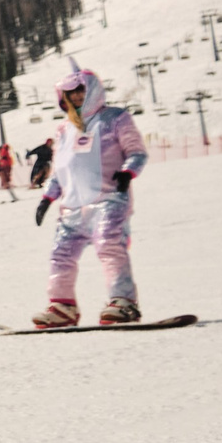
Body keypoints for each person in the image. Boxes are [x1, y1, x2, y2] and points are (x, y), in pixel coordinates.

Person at [31, 64, 150, 327]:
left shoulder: (115, 118)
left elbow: (137, 152)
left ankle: (124, 302)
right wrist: (47, 199)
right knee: (60, 254)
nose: (75, 96)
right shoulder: (64, 130)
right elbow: (61, 171)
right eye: (69, 93)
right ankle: (62, 307)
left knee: (109, 246)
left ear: (92, 89)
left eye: (80, 90)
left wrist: (127, 173)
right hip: (72, 207)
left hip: (108, 200)